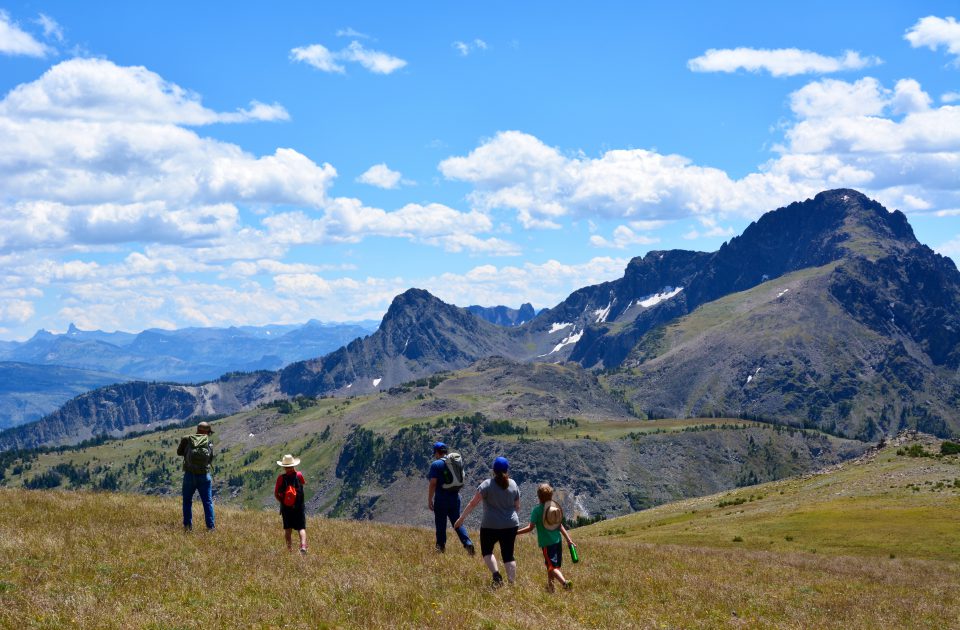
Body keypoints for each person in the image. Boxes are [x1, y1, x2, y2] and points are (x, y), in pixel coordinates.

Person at [454, 456, 520, 588]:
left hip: (490, 525)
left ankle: (496, 575)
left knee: (487, 551)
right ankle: (512, 585)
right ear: (507, 470)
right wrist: (509, 520)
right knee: (508, 554)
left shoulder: (486, 485)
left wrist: (461, 519)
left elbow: (473, 503)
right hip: (511, 525)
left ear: (493, 470)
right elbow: (517, 506)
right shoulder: (513, 484)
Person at [518, 483, 576, 592]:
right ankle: (551, 588)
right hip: (557, 541)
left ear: (539, 496)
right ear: (551, 496)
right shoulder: (553, 507)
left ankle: (565, 583)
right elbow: (560, 525)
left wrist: (516, 533)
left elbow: (530, 528)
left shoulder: (537, 510)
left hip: (547, 544)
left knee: (552, 567)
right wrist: (569, 540)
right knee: (551, 566)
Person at [427, 442, 475, 555]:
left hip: (441, 499)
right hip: (455, 497)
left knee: (440, 524)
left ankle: (440, 548)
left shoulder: (436, 464)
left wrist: (430, 499)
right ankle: (467, 543)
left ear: (437, 452)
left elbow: (433, 483)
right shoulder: (454, 463)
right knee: (457, 522)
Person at [177, 420, 215, 530]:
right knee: (207, 502)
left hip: (190, 475)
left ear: (197, 430)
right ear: (207, 432)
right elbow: (210, 459)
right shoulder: (208, 442)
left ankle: (188, 527)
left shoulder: (187, 439)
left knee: (187, 501)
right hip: (204, 476)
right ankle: (210, 528)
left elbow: (179, 452)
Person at [274, 453, 308, 556]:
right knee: (301, 528)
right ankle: (303, 547)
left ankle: (289, 550)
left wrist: (282, 501)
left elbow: (276, 493)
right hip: (298, 507)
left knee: (288, 529)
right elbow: (303, 484)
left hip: (286, 507)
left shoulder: (281, 478)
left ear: (284, 466)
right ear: (293, 465)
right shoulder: (299, 475)